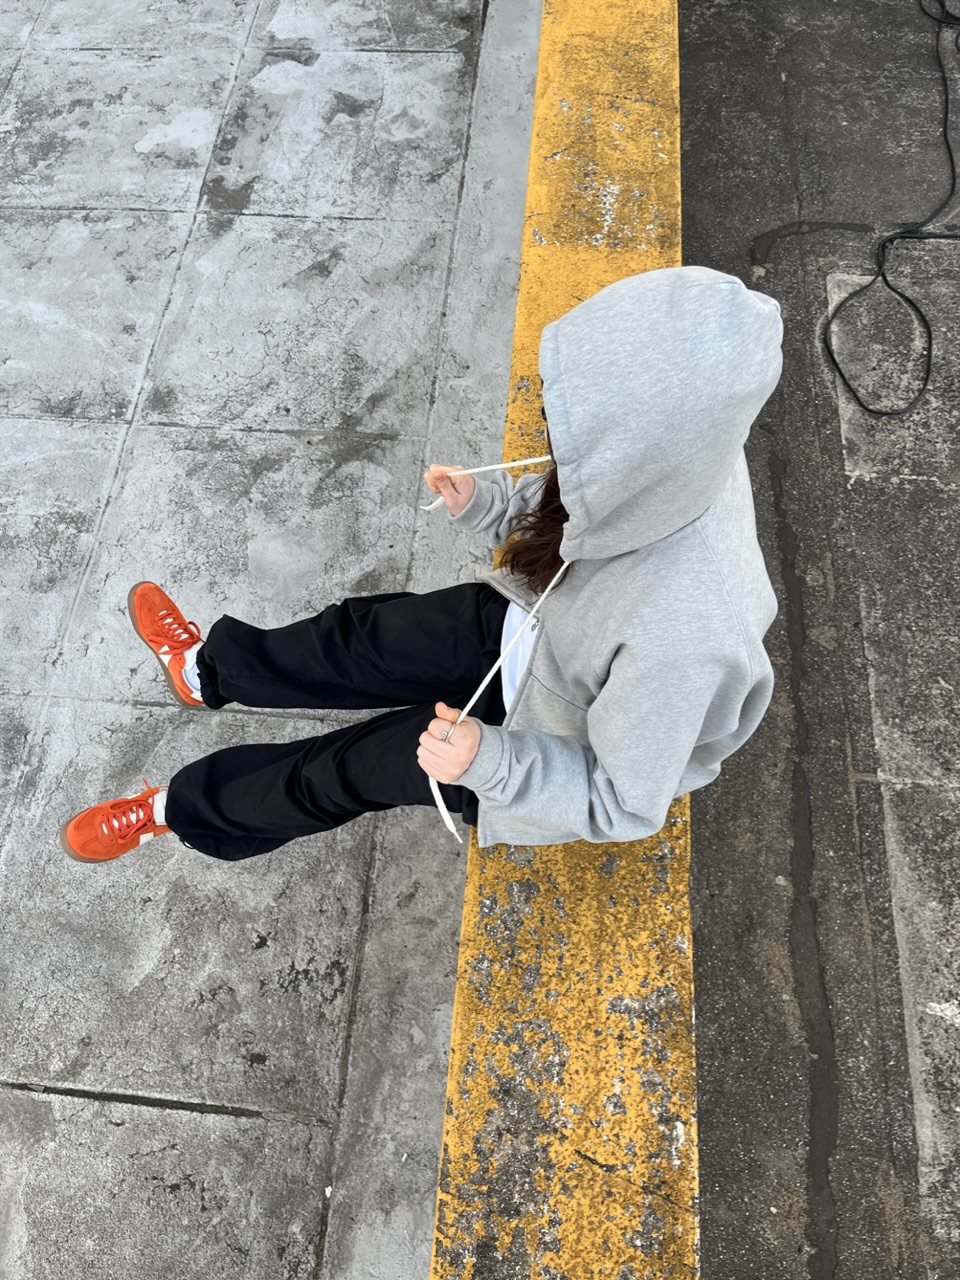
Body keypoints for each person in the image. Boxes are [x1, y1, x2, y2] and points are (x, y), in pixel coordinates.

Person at [60, 265, 783, 864]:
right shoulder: (684, 452)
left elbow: (622, 802)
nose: (553, 429)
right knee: (349, 639)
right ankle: (205, 672)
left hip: (538, 731)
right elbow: (600, 497)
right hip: (529, 621)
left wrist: (486, 763)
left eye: (580, 424)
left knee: (342, 770)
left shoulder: (692, 641)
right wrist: (492, 505)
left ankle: (175, 809)